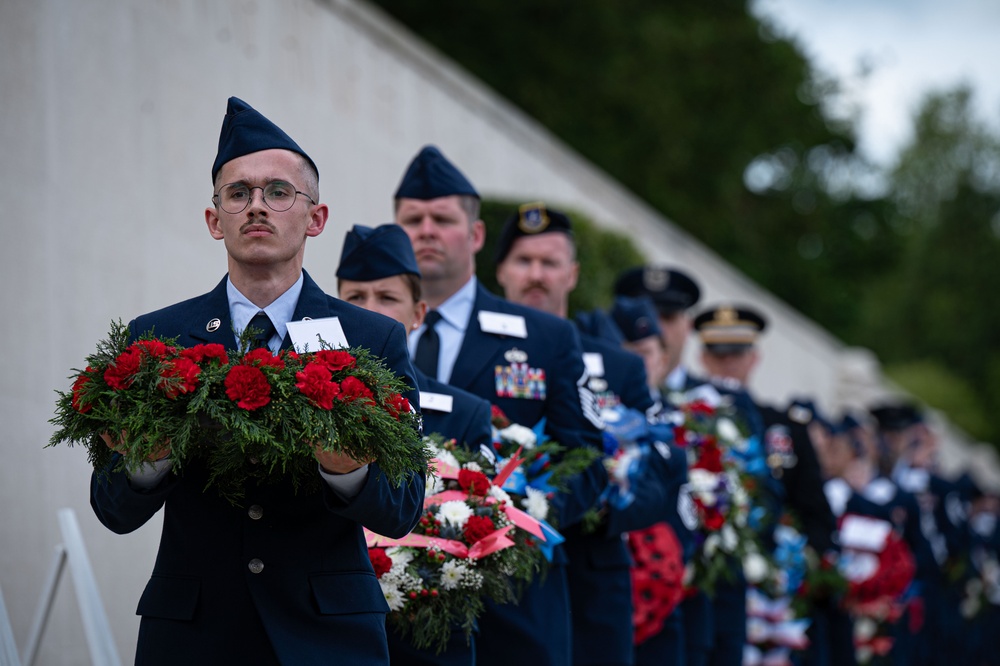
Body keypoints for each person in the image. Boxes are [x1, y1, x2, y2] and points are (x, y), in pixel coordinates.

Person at [90, 97, 425, 666]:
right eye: (238, 193)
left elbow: (403, 507)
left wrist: (347, 473)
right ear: (213, 219)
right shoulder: (158, 338)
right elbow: (113, 510)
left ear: (315, 218)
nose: (257, 208)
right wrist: (151, 459)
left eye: (278, 192)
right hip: (193, 635)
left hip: (326, 637)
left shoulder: (374, 339)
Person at [393, 147, 606, 666]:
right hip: (391, 602)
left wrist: (514, 519)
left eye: (442, 218)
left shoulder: (547, 336)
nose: (426, 230)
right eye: (412, 220)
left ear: (477, 235)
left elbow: (588, 459)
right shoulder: (367, 332)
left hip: (511, 601)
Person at [495, 203, 685, 666]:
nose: (536, 274)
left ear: (573, 274)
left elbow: (662, 470)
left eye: (550, 262)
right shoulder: (470, 352)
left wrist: (590, 497)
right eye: (524, 260)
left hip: (590, 580)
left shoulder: (619, 367)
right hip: (488, 570)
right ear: (501, 270)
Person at [335, 222, 492, 666]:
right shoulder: (305, 401)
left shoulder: (465, 413)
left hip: (427, 638)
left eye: (387, 298)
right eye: (354, 298)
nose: (370, 311)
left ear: (419, 312)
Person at [613, 265, 703, 393]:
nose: (657, 328)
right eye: (642, 318)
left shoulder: (712, 400)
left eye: (668, 317)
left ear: (688, 326)